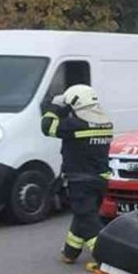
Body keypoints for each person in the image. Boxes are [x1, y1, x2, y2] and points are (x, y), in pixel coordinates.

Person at [40, 84, 114, 264]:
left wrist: (55, 106)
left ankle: (107, 258)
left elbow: (47, 126)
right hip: (100, 180)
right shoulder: (105, 123)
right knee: (83, 215)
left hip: (80, 182)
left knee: (88, 220)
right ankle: (70, 252)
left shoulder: (74, 125)